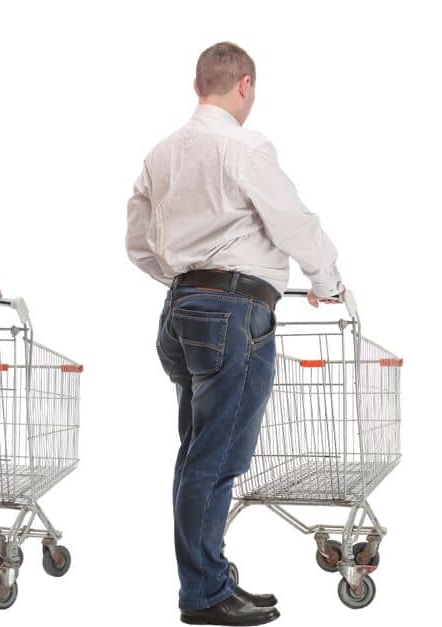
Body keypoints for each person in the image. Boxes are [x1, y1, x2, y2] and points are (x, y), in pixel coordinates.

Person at [126, 42, 346, 627]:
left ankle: (211, 576)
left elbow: (138, 241)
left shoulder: (160, 153)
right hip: (232, 313)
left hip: (181, 312)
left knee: (197, 452)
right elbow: (294, 220)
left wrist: (185, 278)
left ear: (199, 83)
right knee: (215, 458)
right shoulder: (244, 146)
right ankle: (203, 593)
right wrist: (326, 278)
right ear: (243, 84)